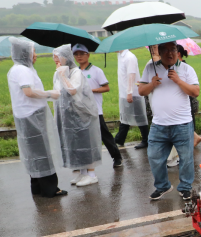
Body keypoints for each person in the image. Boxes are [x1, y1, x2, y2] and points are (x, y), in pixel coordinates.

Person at [138, 41, 200, 200]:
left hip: (183, 124)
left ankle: (185, 187)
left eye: (173, 49)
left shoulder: (186, 69)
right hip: (159, 124)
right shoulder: (150, 68)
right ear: (159, 51)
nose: (170, 53)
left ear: (177, 51)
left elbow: (195, 92)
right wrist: (152, 84)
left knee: (186, 158)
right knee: (153, 157)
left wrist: (179, 81)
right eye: (165, 50)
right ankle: (163, 186)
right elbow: (141, 91)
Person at [6, 38, 66, 198]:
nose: (36, 55)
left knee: (34, 153)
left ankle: (37, 187)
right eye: (33, 52)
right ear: (24, 53)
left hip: (27, 116)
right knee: (43, 152)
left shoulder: (19, 69)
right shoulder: (22, 70)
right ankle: (50, 189)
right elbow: (29, 92)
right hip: (32, 117)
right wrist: (50, 94)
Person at [52, 45, 103, 187]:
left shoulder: (76, 72)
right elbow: (58, 93)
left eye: (58, 56)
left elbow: (73, 90)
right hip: (69, 114)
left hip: (82, 114)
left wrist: (62, 75)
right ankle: (82, 172)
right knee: (76, 143)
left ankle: (91, 174)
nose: (56, 59)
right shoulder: (57, 73)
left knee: (86, 144)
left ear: (66, 57)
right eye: (54, 57)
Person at [72, 44, 122, 168]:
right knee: (83, 137)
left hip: (95, 110)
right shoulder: (75, 72)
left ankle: (117, 157)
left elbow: (106, 87)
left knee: (105, 136)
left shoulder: (96, 71)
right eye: (76, 54)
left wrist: (91, 90)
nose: (79, 56)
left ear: (87, 55)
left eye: (82, 53)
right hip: (81, 109)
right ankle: (87, 163)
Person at [114, 48, 149, 149]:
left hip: (133, 93)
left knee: (139, 116)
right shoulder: (120, 56)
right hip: (124, 92)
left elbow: (131, 75)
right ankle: (120, 138)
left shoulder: (129, 57)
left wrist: (129, 92)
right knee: (125, 116)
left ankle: (146, 140)